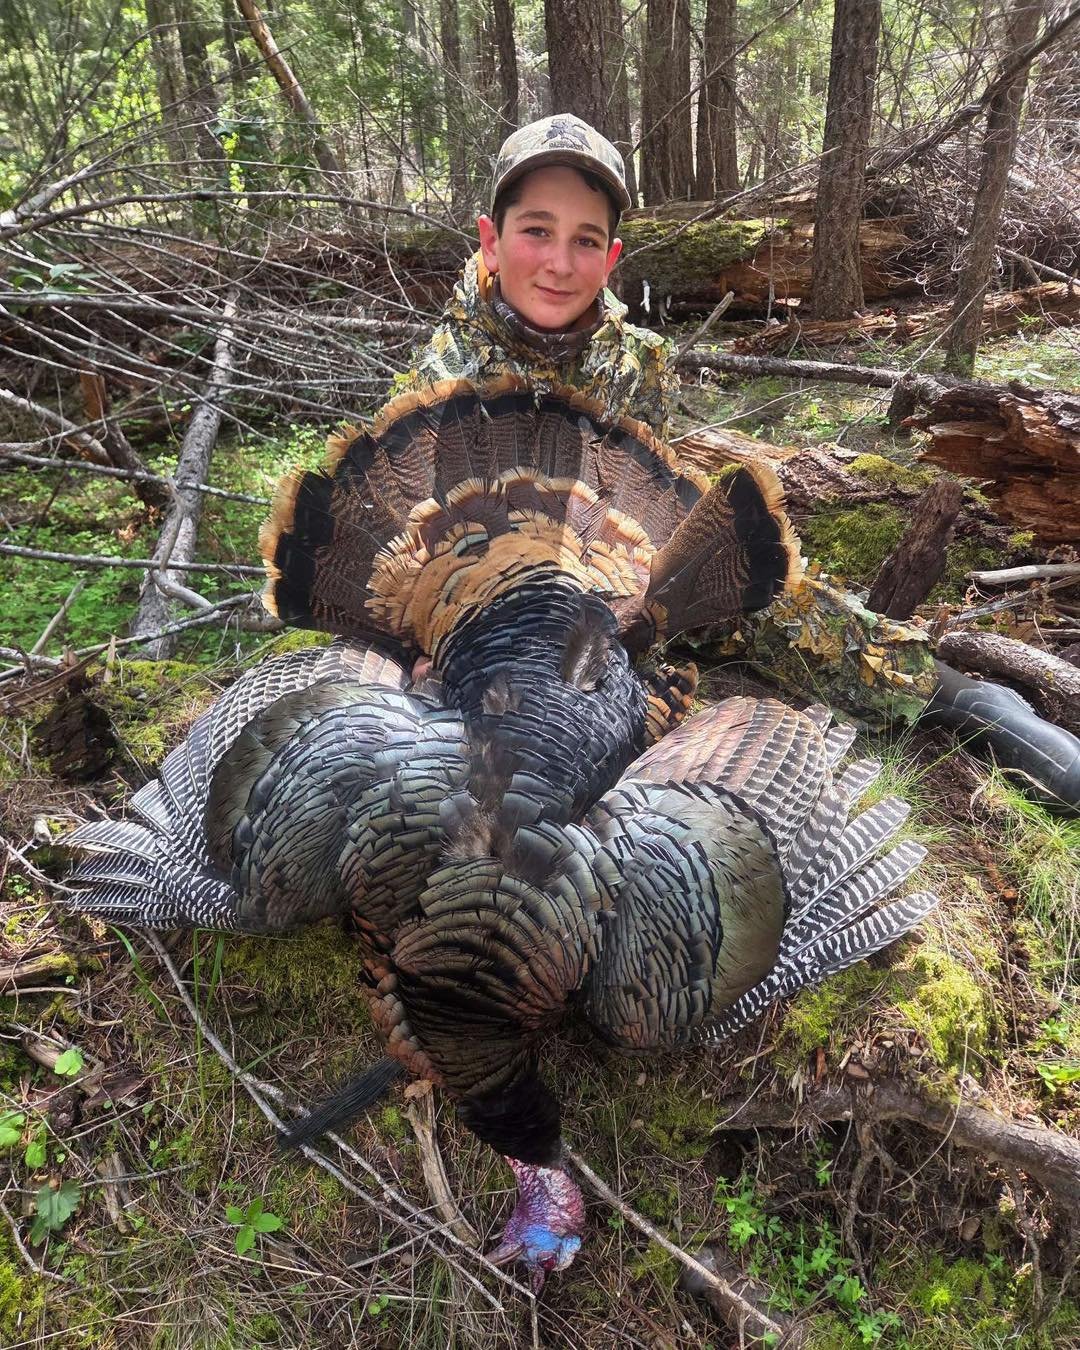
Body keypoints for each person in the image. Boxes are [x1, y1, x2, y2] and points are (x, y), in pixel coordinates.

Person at [392, 114, 1080, 809]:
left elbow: (646, 510)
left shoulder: (637, 362)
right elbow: (399, 558)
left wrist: (648, 596)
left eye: (585, 240)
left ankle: (962, 701)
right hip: (494, 622)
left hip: (615, 596)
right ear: (491, 240)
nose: (560, 262)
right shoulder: (440, 378)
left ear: (612, 255)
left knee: (770, 597)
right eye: (536, 231)